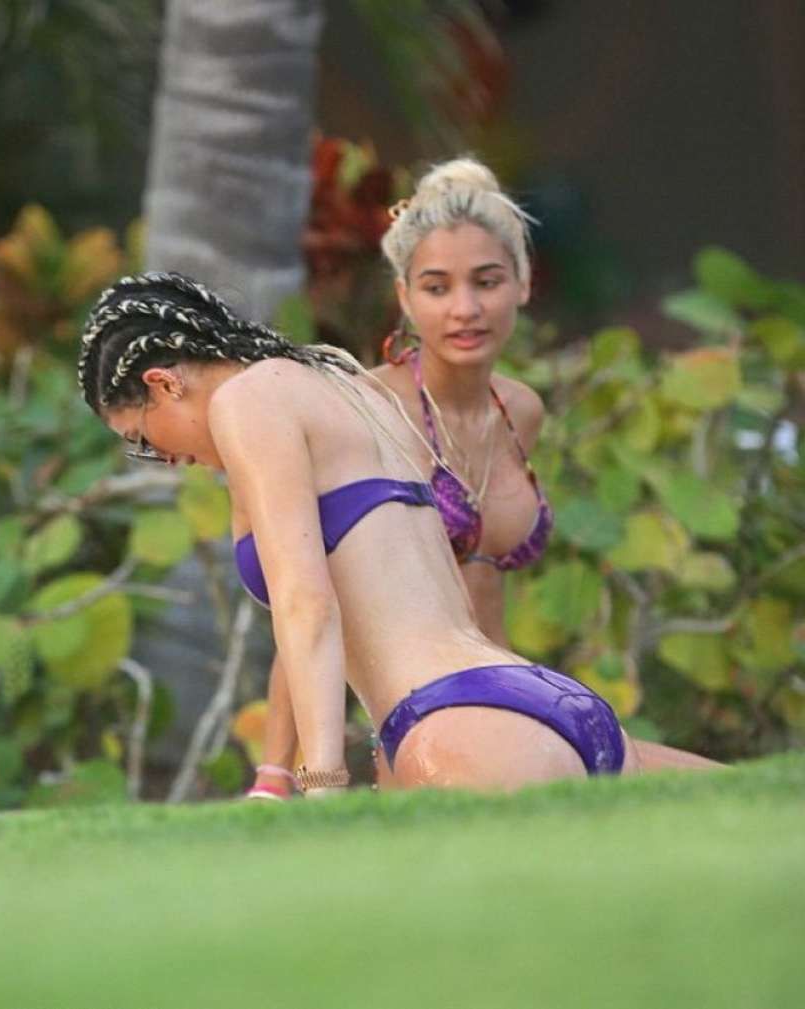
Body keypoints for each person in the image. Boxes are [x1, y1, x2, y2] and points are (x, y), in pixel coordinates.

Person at [247, 157, 720, 799]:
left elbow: (480, 598)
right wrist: (279, 776)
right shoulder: (366, 412)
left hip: (520, 702)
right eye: (437, 287)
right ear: (405, 298)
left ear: (523, 283)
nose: (465, 309)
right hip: (429, 728)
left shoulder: (520, 410)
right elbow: (309, 595)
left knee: (732, 794)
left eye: (487, 281)